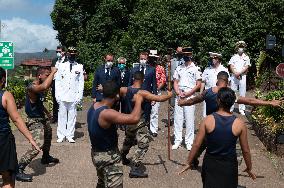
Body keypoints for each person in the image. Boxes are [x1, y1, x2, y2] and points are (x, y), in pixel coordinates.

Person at [178, 71, 281, 168]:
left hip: (210, 126)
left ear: (217, 80)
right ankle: (229, 167)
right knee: (235, 153)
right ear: (228, 82)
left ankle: (192, 161)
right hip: (227, 127)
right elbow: (249, 100)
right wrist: (270, 102)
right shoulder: (229, 94)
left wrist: (182, 103)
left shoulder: (207, 92)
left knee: (198, 146)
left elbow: (193, 100)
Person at [179, 87, 256, 188]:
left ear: (218, 100)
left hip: (211, 163)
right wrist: (249, 167)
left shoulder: (208, 120)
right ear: (233, 102)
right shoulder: (239, 123)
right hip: (229, 165)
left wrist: (189, 162)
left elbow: (197, 144)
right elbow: (245, 150)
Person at [87, 80, 144, 188]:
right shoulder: (106, 113)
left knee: (102, 183)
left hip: (96, 153)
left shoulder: (94, 106)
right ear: (117, 95)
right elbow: (134, 118)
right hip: (109, 158)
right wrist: (138, 100)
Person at [121, 71, 172, 178]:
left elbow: (113, 92)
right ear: (142, 80)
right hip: (139, 122)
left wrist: (103, 89)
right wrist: (170, 95)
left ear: (133, 79)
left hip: (129, 120)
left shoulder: (125, 89)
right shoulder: (142, 92)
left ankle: (123, 156)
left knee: (129, 140)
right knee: (143, 144)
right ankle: (135, 167)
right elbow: (159, 98)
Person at [16, 66, 59, 182]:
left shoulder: (39, 88)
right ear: (40, 76)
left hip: (42, 118)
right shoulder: (32, 87)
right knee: (37, 145)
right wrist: (54, 72)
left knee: (48, 135)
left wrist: (47, 113)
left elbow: (38, 103)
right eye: (47, 74)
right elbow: (44, 86)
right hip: (34, 120)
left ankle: (45, 157)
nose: (49, 76)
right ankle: (19, 168)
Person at [0, 67, 40, 188]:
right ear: (2, 80)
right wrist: (31, 139)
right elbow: (16, 119)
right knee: (7, 179)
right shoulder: (5, 96)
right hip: (3, 141)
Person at [172, 47, 202, 150]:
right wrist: (177, 92)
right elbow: (175, 81)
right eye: (184, 55)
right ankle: (177, 140)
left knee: (189, 119)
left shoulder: (196, 68)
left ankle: (189, 142)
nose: (185, 57)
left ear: (191, 55)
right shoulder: (179, 68)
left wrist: (188, 93)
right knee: (178, 119)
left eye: (187, 55)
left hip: (190, 95)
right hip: (179, 95)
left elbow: (198, 84)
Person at [55, 47, 84, 143]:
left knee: (72, 116)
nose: (72, 56)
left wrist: (79, 97)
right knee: (62, 116)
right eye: (71, 54)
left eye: (74, 54)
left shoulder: (79, 67)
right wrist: (57, 95)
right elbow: (58, 81)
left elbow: (81, 83)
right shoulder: (61, 66)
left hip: (73, 96)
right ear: (67, 54)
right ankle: (61, 135)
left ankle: (70, 135)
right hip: (62, 95)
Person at [128, 52, 157, 125]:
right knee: (135, 114)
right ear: (139, 59)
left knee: (147, 115)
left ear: (147, 59)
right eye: (141, 59)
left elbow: (154, 84)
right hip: (135, 96)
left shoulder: (152, 70)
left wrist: (154, 97)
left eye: (144, 59)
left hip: (147, 96)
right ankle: (135, 131)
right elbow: (129, 83)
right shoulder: (133, 70)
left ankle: (146, 131)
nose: (143, 60)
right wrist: (129, 95)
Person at [201, 52, 229, 117]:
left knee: (219, 114)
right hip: (208, 95)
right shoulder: (207, 70)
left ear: (218, 59)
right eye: (212, 58)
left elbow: (228, 83)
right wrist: (201, 93)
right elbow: (203, 82)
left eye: (214, 58)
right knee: (206, 115)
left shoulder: (224, 69)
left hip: (220, 95)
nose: (212, 60)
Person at [229, 41, 251, 115]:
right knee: (232, 92)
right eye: (239, 47)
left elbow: (246, 66)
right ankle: (231, 108)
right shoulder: (233, 57)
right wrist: (235, 73)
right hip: (234, 76)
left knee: (242, 93)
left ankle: (241, 109)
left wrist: (239, 73)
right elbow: (231, 66)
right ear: (237, 48)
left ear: (244, 48)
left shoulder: (246, 57)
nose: (240, 48)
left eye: (242, 47)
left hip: (242, 76)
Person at [149, 50, 166, 137]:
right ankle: (145, 127)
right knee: (146, 110)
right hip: (146, 92)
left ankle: (153, 129)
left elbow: (163, 81)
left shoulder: (160, 68)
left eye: (155, 58)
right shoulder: (146, 67)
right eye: (152, 58)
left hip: (156, 92)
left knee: (155, 111)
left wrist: (155, 89)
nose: (153, 59)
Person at [50, 45, 67, 123]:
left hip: (64, 83)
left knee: (64, 100)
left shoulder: (67, 61)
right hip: (55, 82)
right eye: (56, 52)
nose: (58, 53)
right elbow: (53, 71)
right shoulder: (54, 60)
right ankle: (55, 117)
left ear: (63, 52)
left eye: (59, 52)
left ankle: (63, 117)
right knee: (55, 100)